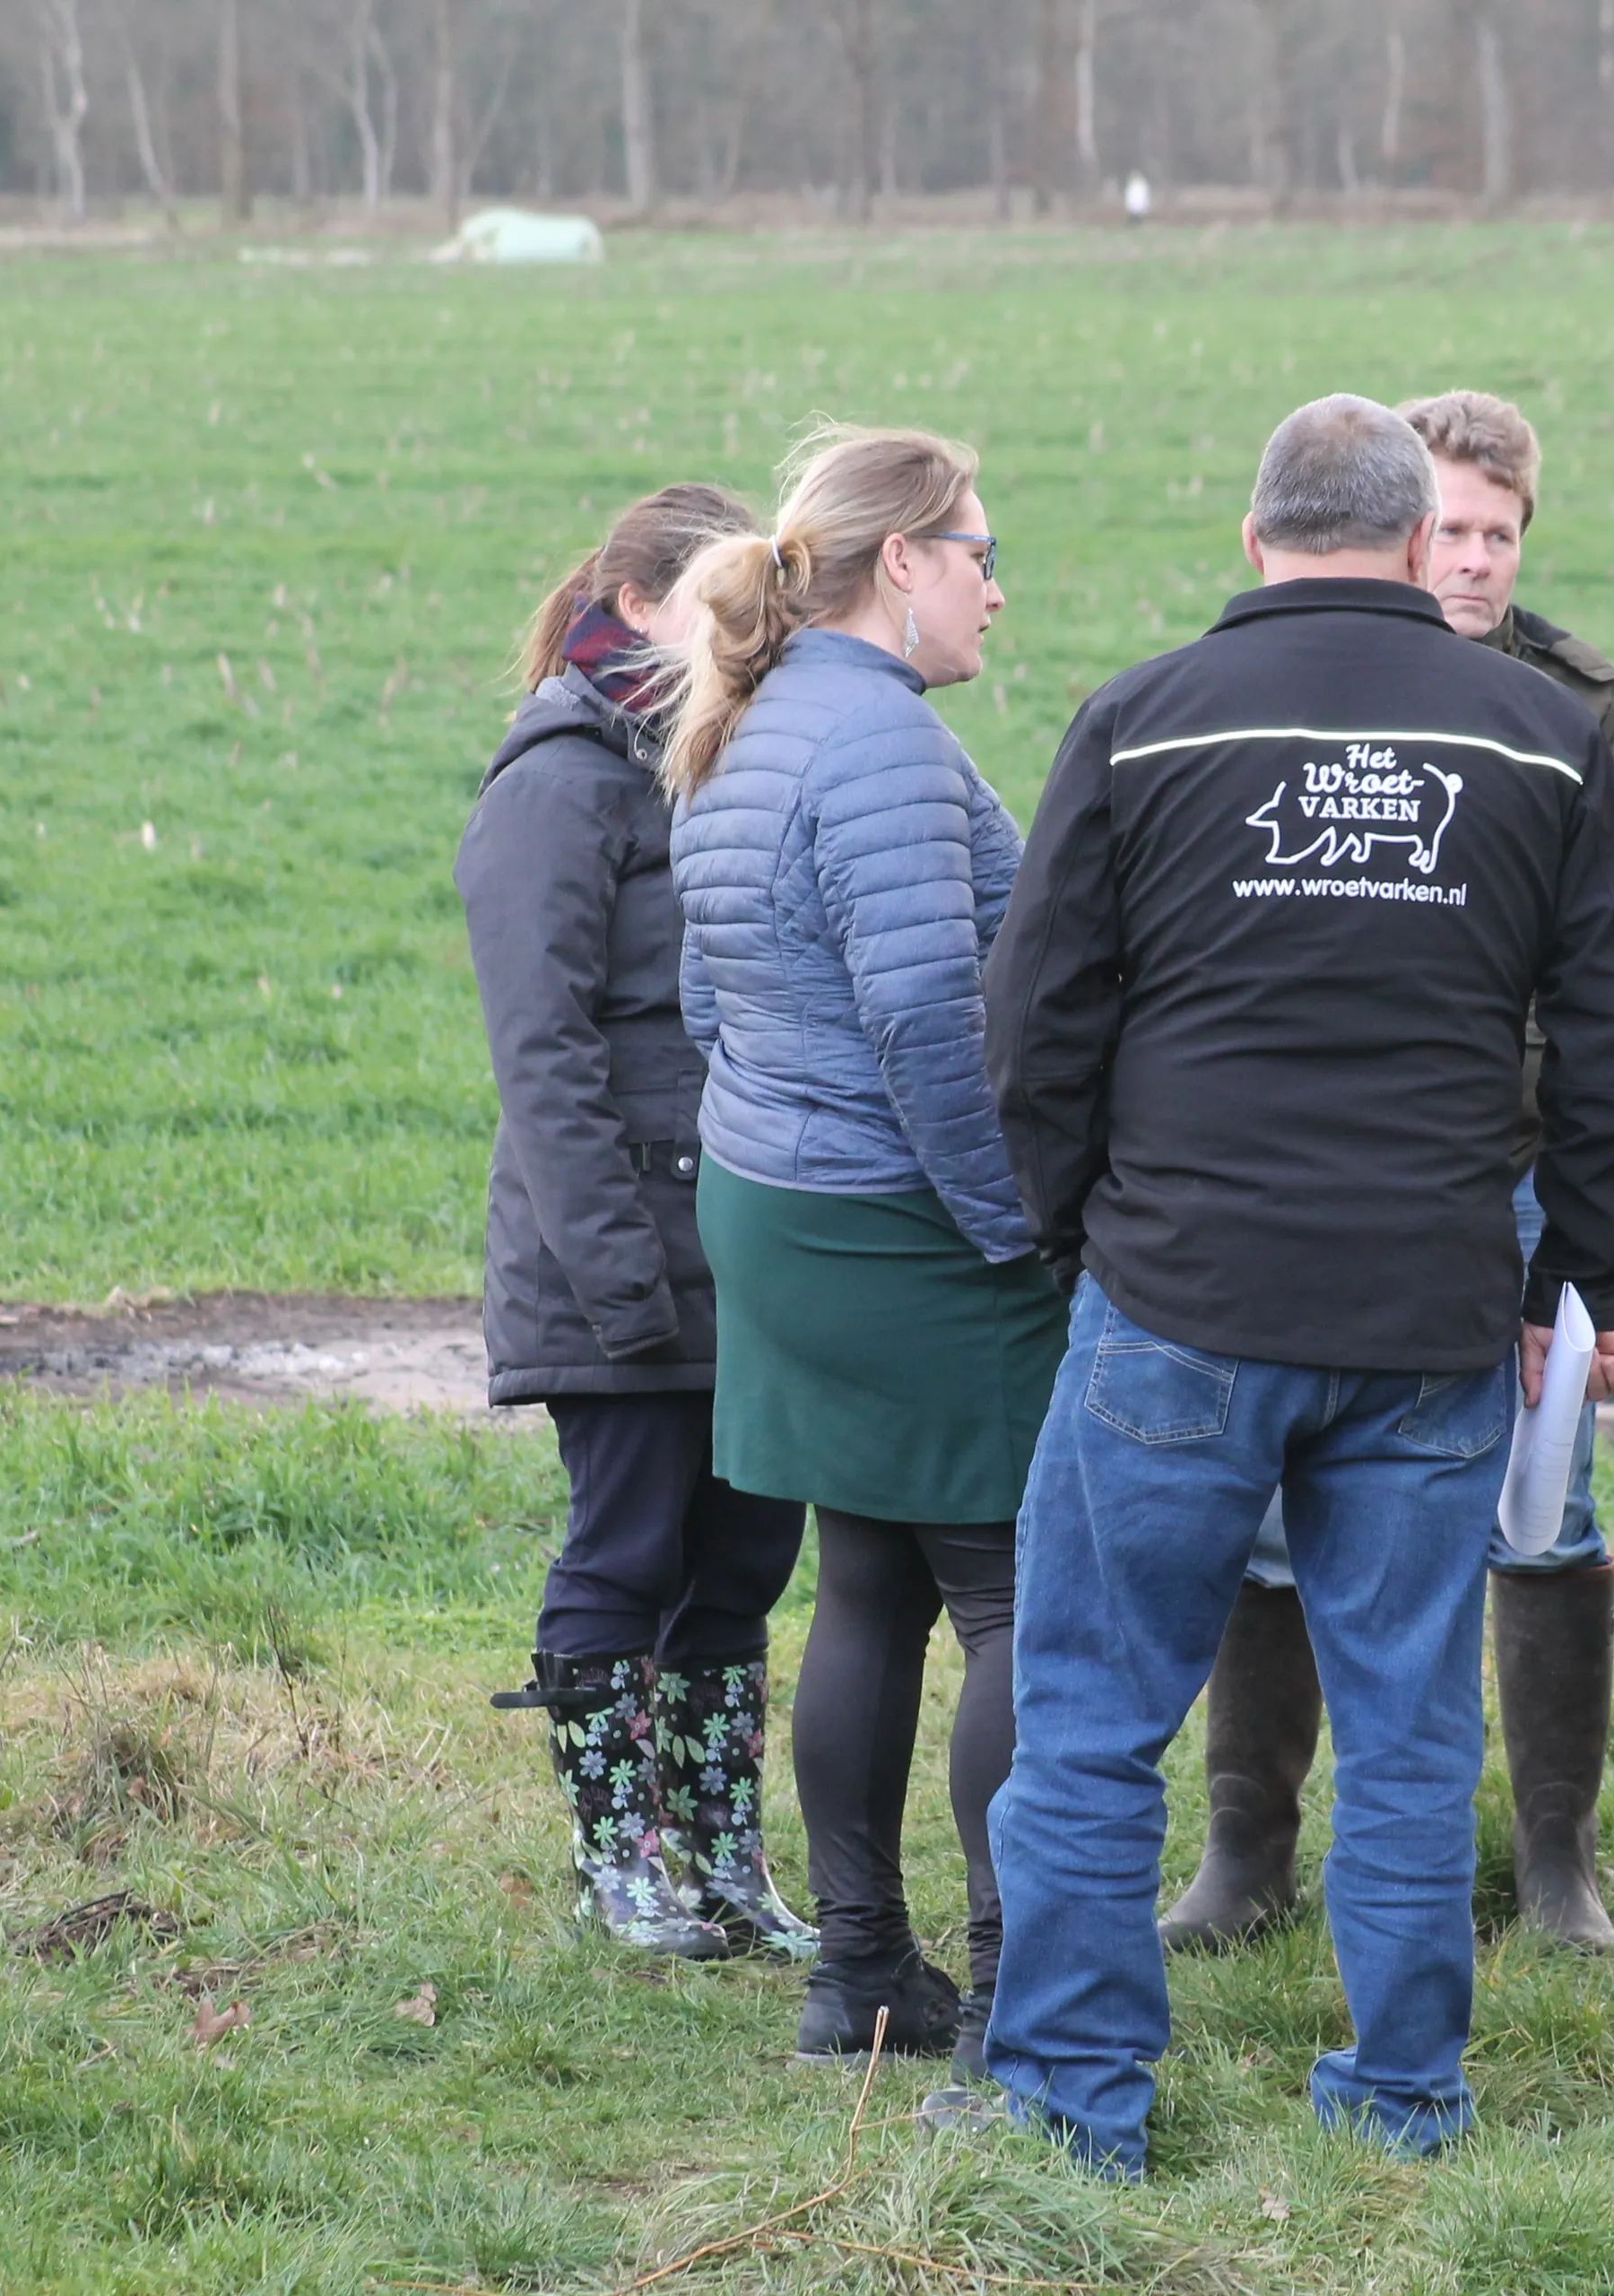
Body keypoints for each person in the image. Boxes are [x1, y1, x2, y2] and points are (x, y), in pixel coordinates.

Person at [979, 395, 1614, 2177]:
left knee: (1090, 1717)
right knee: (1415, 1728)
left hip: (1179, 1291)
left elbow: (1037, 1019)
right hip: (1432, 1304)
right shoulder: (1541, 734)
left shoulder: (1134, 725)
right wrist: (1569, 1276)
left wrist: (1081, 1228)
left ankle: (1072, 2097)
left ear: (1255, 534)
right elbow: (1613, 1043)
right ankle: (1405, 2093)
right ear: (1411, 529)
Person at [1158, 387, 1614, 1962]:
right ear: (1395, 526)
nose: (1472, 562)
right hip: (1318, 1162)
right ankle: (1249, 1841)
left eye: (1500, 535)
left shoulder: (1577, 710)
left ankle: (1556, 1855)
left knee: (1543, 1506)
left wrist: (1598, 1252)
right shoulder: (1292, 678)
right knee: (1268, 1522)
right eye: (1446, 528)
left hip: (1517, 1168)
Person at [661, 426, 1063, 2091]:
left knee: (868, 1586)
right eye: (979, 551)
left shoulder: (742, 724)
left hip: (775, 1205)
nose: (993, 588)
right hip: (905, 1220)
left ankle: (860, 1970)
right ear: (901, 561)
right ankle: (1017, 1978)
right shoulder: (882, 748)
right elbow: (920, 1016)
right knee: (1018, 1605)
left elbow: (707, 995)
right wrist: (1013, 1226)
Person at [464, 483, 819, 1968]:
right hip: (611, 1270)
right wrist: (618, 1283)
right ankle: (626, 1869)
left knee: (740, 1566)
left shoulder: (713, 760)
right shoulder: (558, 780)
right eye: (729, 599)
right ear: (648, 601)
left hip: (741, 1261)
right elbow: (541, 1054)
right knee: (624, 1553)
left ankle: (725, 1867)